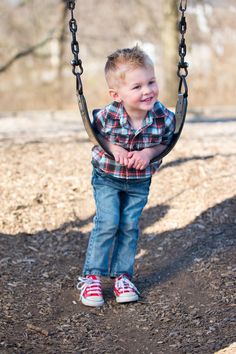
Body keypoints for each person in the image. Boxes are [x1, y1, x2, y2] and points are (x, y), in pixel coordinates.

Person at [77, 45, 175, 307]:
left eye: (151, 82)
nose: (147, 91)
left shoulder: (163, 116)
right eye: (137, 86)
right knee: (108, 222)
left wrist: (149, 153)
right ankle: (92, 277)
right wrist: (113, 148)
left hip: (139, 182)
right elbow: (95, 136)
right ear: (116, 94)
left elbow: (166, 142)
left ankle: (122, 276)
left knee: (129, 226)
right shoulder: (107, 116)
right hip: (107, 176)